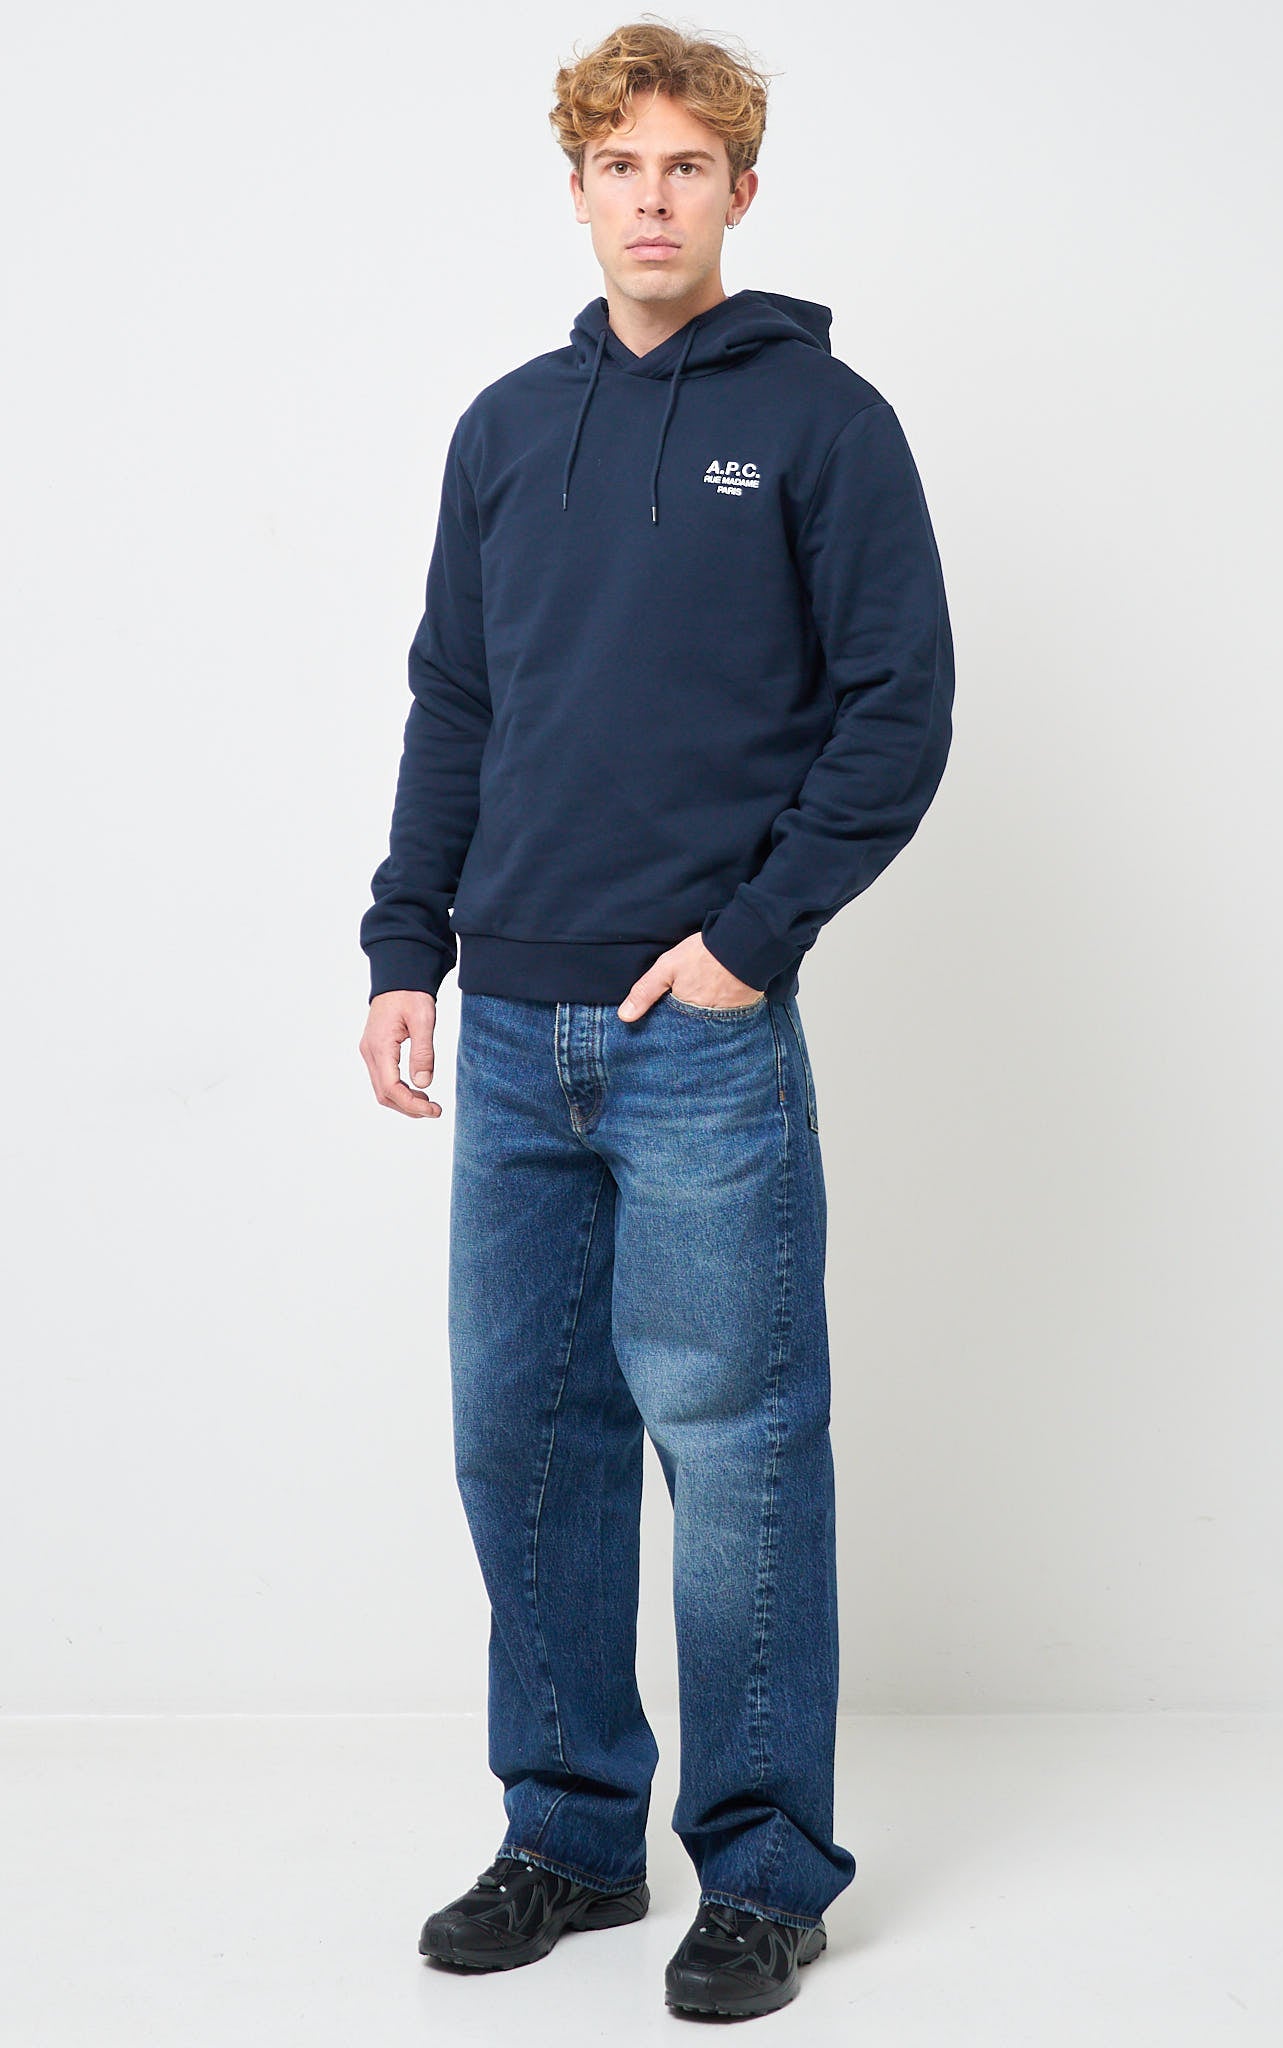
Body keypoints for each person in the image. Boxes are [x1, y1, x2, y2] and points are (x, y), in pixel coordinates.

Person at [358, 18, 954, 2022]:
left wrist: (749, 941)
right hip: (509, 1024)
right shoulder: (504, 428)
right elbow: (454, 699)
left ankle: (764, 1872)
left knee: (738, 1454)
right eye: (619, 164)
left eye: (686, 165)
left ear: (739, 193)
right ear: (577, 189)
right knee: (520, 1442)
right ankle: (566, 1835)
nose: (651, 196)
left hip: (698, 1033)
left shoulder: (821, 423)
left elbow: (897, 707)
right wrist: (404, 946)